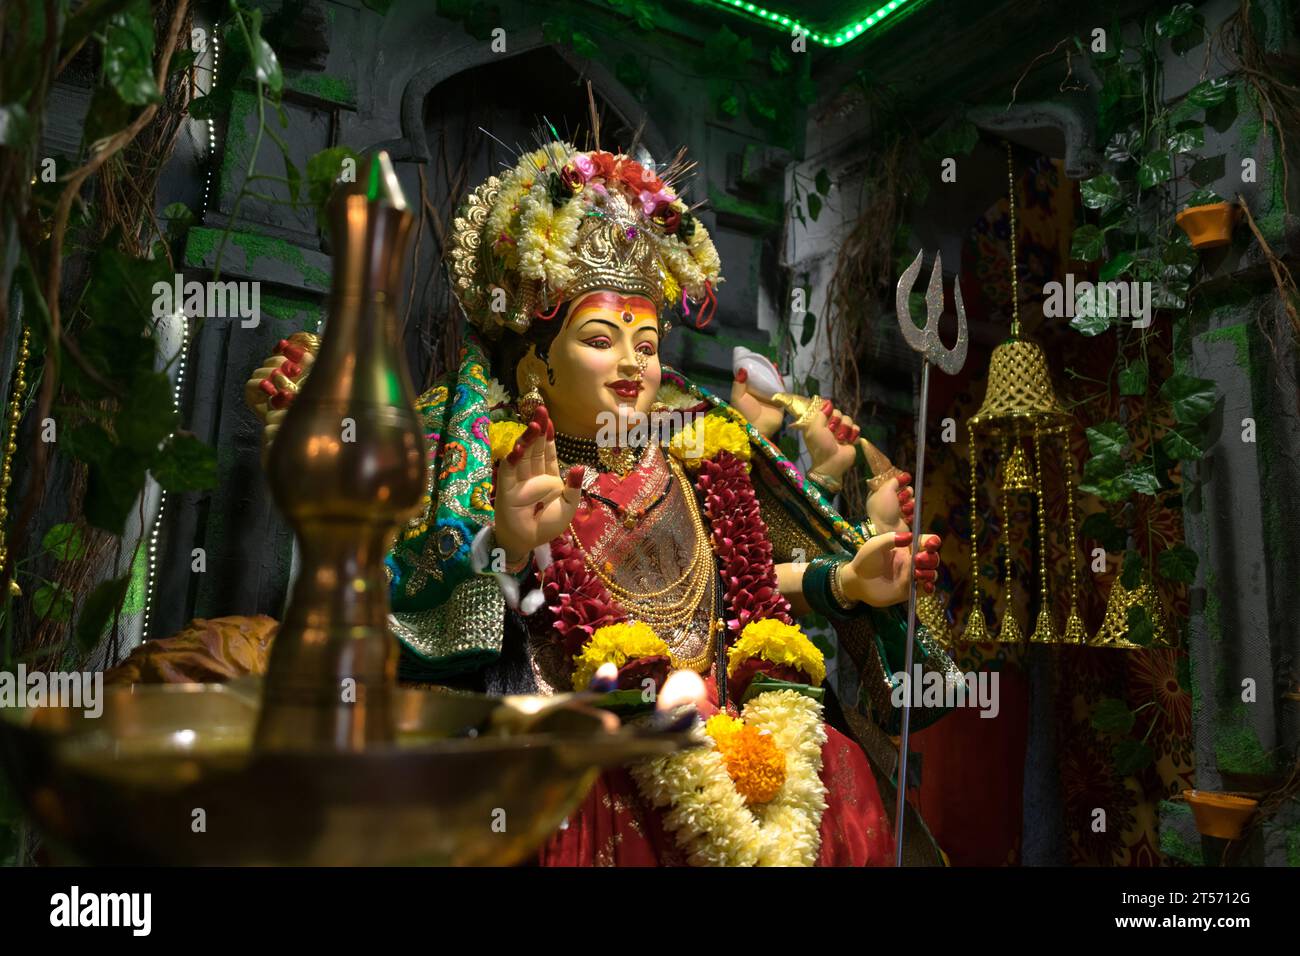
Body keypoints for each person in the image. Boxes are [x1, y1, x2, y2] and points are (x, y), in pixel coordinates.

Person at [248, 137, 949, 866]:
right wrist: (512, 543)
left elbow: (740, 597)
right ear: (534, 360)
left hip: (728, 727)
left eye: (646, 342)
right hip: (587, 719)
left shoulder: (692, 449)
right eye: (600, 338)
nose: (633, 362)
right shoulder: (492, 453)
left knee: (838, 763)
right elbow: (405, 597)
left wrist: (846, 582)